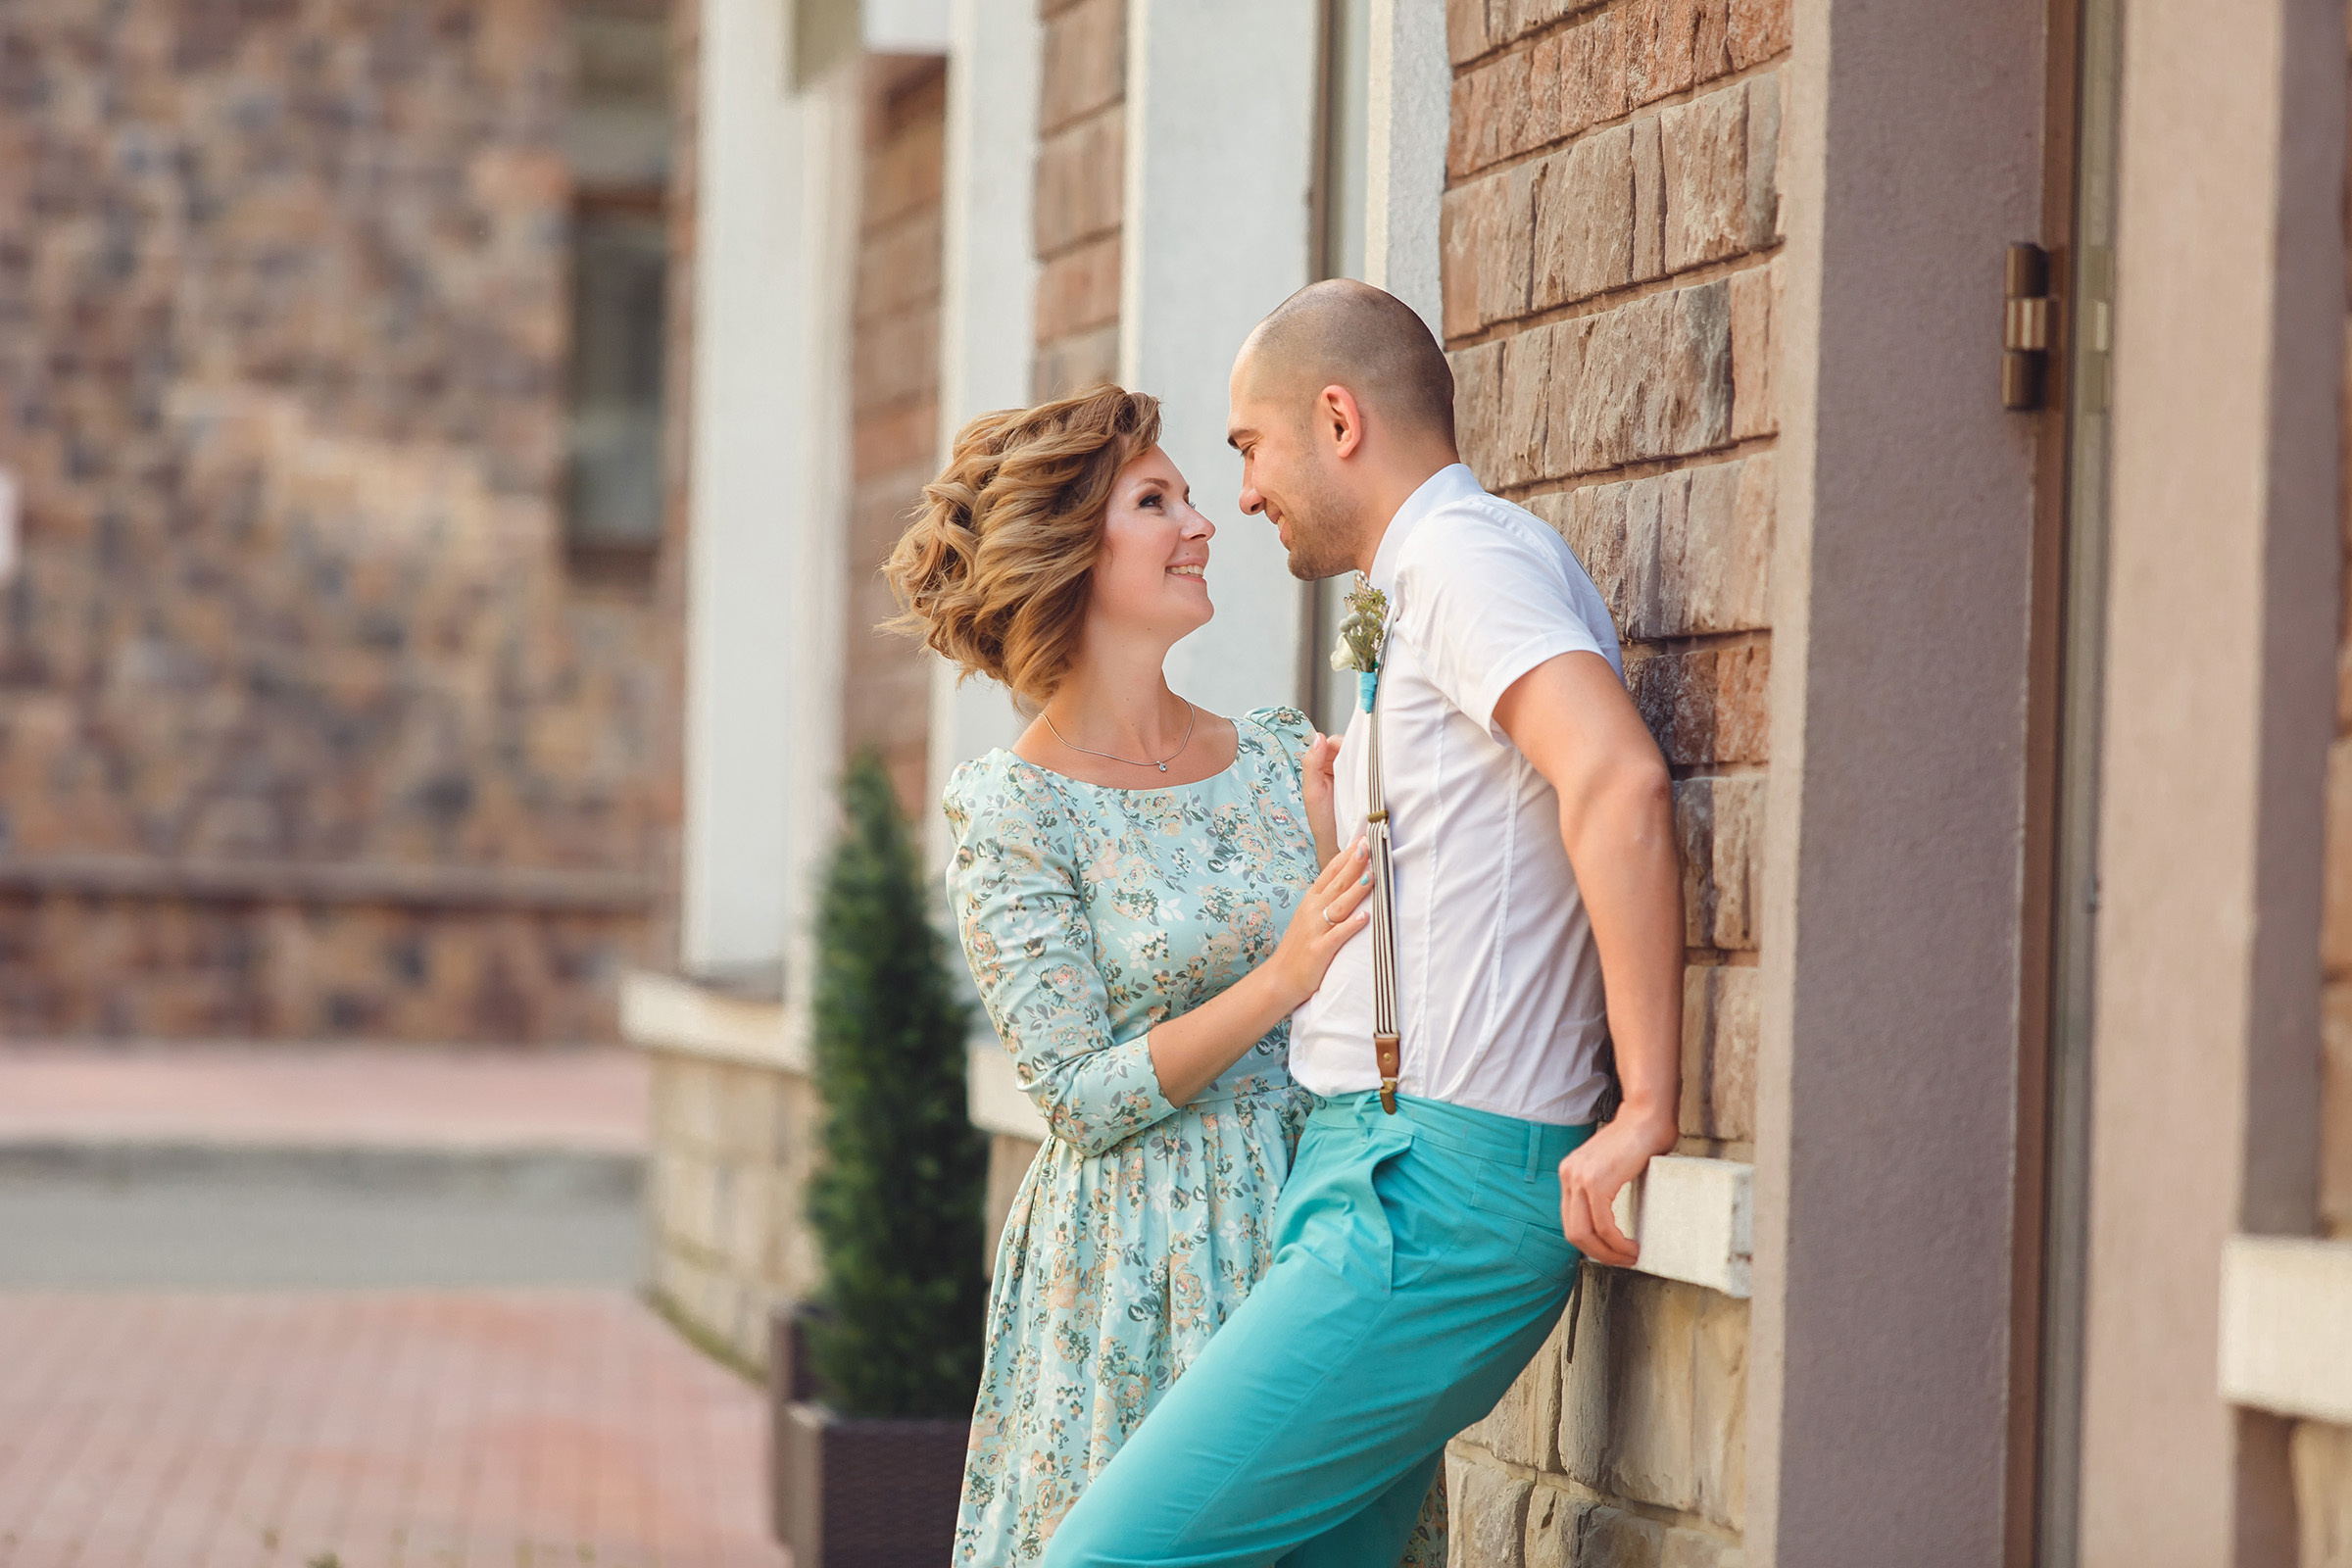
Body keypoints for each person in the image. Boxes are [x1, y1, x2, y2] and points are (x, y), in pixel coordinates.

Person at [1040, 281, 1686, 1567]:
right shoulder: (1426, 583)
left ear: (1338, 419)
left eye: (1248, 446)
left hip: (1431, 1191)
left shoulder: (1461, 559)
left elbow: (1615, 779)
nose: (1245, 490)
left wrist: (1646, 1107)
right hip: (1375, 1173)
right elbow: (1499, 881)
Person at [885, 386, 1442, 1568]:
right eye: (1158, 501)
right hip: (1135, 1259)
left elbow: (1392, 981)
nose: (1203, 522)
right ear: (1072, 552)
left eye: (1191, 494)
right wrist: (1285, 973)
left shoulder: (1284, 755)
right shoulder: (1015, 811)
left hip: (1318, 1218)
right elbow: (1078, 1096)